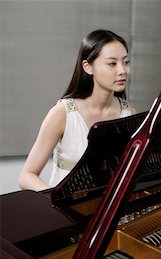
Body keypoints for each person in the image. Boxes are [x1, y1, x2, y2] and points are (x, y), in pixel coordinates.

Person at [19, 29, 136, 191]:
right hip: (65, 209)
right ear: (88, 67)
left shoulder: (128, 112)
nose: (122, 70)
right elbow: (26, 176)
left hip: (108, 208)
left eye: (126, 62)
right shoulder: (63, 113)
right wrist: (55, 199)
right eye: (112, 63)